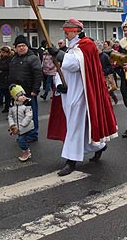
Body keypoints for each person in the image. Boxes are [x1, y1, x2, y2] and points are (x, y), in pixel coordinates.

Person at [47, 18, 118, 176]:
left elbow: (74, 65)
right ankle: (98, 146)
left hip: (82, 92)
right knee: (79, 125)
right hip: (69, 91)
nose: (65, 31)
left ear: (76, 30)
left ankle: (71, 161)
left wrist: (58, 54)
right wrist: (59, 84)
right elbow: (63, 69)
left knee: (74, 125)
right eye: (65, 29)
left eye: (68, 29)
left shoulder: (87, 45)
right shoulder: (71, 47)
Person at [9, 35, 42, 141]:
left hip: (29, 92)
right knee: (20, 115)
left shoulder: (33, 58)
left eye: (23, 45)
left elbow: (38, 75)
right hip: (17, 93)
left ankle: (33, 134)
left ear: (27, 46)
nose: (21, 48)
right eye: (19, 46)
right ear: (15, 48)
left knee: (31, 115)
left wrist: (35, 90)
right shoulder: (14, 59)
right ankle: (23, 133)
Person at [8, 84, 35, 162]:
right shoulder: (12, 106)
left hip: (25, 127)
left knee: (21, 140)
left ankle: (26, 152)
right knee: (21, 140)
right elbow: (10, 116)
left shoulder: (26, 106)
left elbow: (29, 116)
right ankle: (26, 150)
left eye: (23, 94)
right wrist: (12, 125)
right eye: (20, 95)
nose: (23, 96)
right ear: (15, 98)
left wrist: (21, 126)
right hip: (17, 128)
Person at [0, 46, 13, 113]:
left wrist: (1, 68)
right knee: (3, 91)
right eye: (2, 52)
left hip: (6, 78)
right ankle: (6, 105)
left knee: (7, 94)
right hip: (1, 78)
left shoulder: (10, 59)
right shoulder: (0, 58)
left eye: (4, 52)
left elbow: (7, 67)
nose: (2, 53)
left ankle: (7, 106)